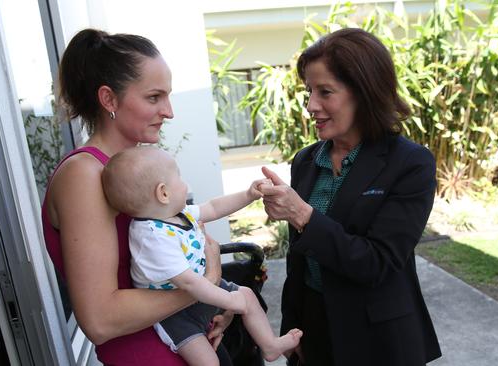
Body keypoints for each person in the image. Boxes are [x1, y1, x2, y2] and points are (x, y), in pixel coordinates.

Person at [42, 28, 232, 365]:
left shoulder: (133, 168)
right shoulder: (84, 176)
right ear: (109, 100)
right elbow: (100, 320)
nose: (169, 111)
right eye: (154, 97)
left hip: (184, 340)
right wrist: (208, 285)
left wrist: (215, 304)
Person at [259, 28, 442, 365]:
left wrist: (302, 214)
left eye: (325, 92)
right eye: (309, 91)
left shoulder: (410, 163)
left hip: (378, 338)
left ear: (365, 92)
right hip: (313, 328)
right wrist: (292, 329)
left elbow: (377, 262)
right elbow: (299, 263)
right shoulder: (306, 160)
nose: (311, 105)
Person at [101, 145, 302, 365]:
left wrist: (248, 195)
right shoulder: (152, 238)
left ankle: (270, 346)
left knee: (247, 295)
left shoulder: (176, 214)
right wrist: (229, 300)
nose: (184, 183)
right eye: (178, 177)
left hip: (203, 290)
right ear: (163, 193)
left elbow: (213, 208)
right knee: (208, 361)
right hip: (174, 313)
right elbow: (189, 283)